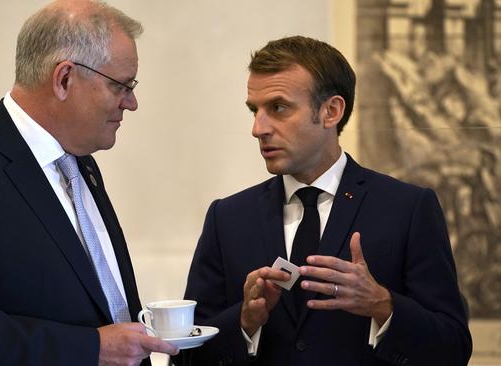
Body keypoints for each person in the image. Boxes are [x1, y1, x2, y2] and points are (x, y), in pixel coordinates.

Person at [0, 1, 178, 365]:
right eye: (120, 87)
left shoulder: (82, 166)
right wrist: (90, 349)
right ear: (64, 79)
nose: (132, 103)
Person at [178, 36, 472, 365]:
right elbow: (189, 355)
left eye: (278, 108)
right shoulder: (228, 218)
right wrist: (245, 322)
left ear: (331, 111)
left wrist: (382, 305)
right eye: (254, 110)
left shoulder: (408, 209)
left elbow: (453, 348)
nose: (258, 128)